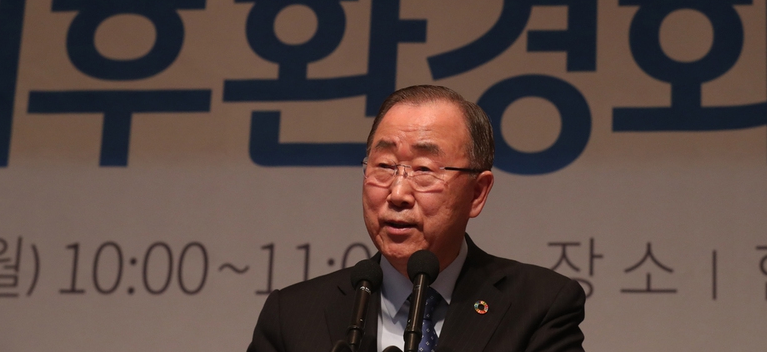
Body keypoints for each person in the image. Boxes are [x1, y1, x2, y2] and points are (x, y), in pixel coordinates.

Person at [247, 85, 586, 352]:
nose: (397, 194)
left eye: (424, 170)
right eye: (384, 166)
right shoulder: (292, 316)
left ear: (478, 192)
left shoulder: (538, 306)